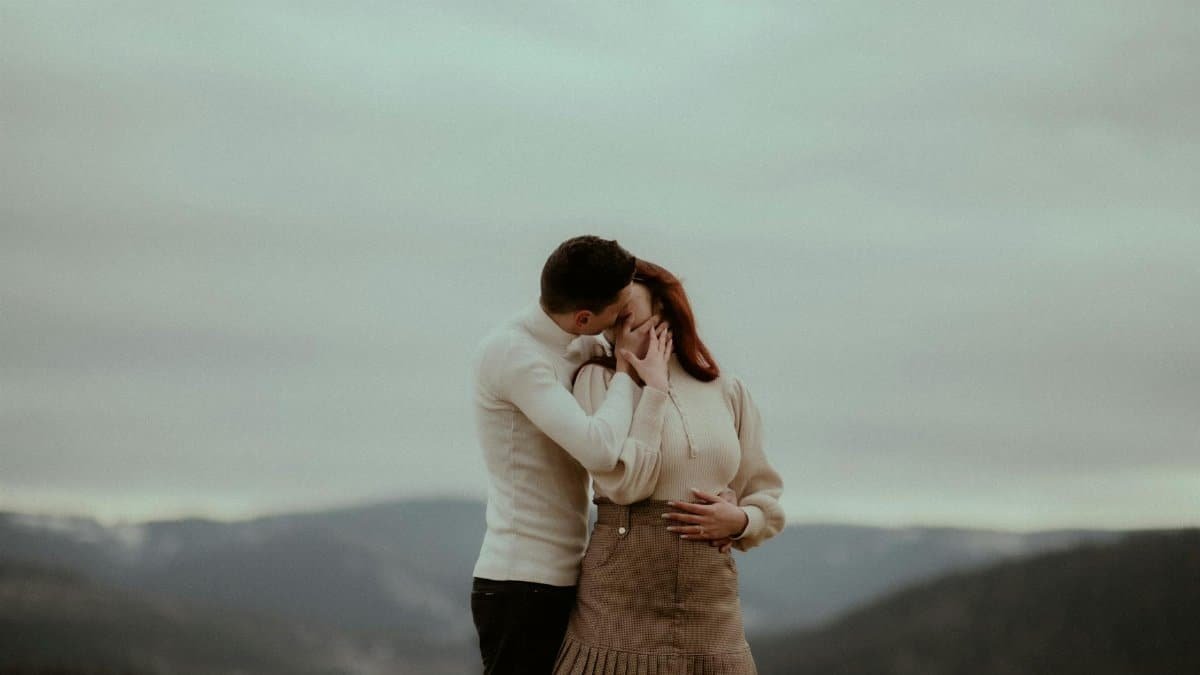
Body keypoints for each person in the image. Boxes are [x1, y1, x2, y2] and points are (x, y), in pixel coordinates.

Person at [553, 258, 786, 674]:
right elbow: (626, 486)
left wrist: (741, 521)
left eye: (623, 304)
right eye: (606, 319)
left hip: (709, 605)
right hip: (619, 598)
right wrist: (653, 389)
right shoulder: (599, 382)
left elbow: (765, 494)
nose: (615, 319)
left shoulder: (726, 389)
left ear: (659, 300)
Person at [469, 235, 675, 674]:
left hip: (564, 577)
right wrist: (623, 371)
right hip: (521, 581)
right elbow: (600, 450)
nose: (623, 322)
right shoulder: (513, 354)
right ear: (584, 317)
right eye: (618, 313)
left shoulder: (580, 344)